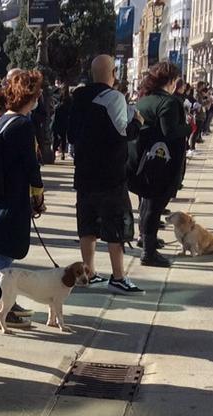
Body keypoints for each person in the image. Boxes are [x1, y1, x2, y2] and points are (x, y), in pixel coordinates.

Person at [0, 70, 46, 328]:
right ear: (32, 96)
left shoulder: (2, 119)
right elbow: (30, 166)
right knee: (5, 256)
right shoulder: (24, 125)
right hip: (14, 198)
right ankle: (3, 303)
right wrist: (38, 194)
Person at [68, 54, 144, 288]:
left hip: (84, 173)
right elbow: (122, 133)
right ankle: (118, 277)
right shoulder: (114, 98)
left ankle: (88, 272)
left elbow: (70, 135)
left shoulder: (77, 98)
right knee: (115, 226)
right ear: (112, 74)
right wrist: (137, 122)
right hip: (110, 175)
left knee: (87, 224)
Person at [134, 61, 190, 270]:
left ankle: (146, 240)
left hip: (143, 160)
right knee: (154, 206)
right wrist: (188, 127)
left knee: (147, 204)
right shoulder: (169, 103)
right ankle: (148, 251)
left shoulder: (145, 100)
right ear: (171, 81)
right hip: (161, 163)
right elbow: (170, 132)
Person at [52, 85, 70, 160]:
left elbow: (55, 115)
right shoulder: (69, 102)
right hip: (65, 122)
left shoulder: (59, 106)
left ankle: (54, 152)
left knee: (56, 138)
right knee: (63, 138)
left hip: (58, 122)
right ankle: (62, 153)